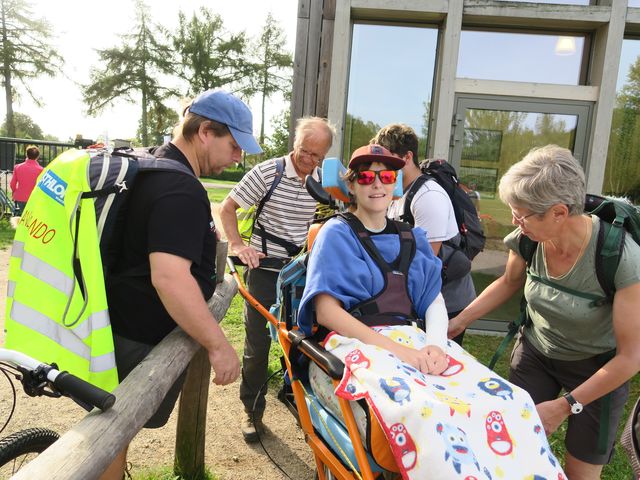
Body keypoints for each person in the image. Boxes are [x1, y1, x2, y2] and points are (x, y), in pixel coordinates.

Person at [297, 144, 566, 479]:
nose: (377, 183)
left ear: (395, 182)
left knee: (510, 401)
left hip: (415, 338)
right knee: (429, 410)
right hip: (357, 341)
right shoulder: (337, 233)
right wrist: (404, 353)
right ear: (351, 185)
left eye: (386, 175)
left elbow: (433, 301)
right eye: (366, 176)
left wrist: (436, 346)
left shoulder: (412, 237)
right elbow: (326, 312)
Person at [448, 145, 640, 479]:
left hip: (597, 368)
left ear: (559, 213)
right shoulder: (528, 239)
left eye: (520, 214)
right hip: (536, 353)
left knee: (580, 472)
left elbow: (630, 357)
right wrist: (459, 321)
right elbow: (509, 282)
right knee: (511, 451)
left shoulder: (620, 259)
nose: (514, 221)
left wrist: (565, 406)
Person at [101, 89, 258, 479]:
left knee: (112, 433)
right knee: (111, 434)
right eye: (236, 145)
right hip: (136, 336)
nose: (239, 157)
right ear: (206, 131)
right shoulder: (179, 188)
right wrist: (218, 346)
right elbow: (170, 278)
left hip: (118, 322)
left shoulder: (156, 165)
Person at [219, 116, 335, 442]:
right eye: (304, 151)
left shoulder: (324, 182)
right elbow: (228, 208)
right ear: (294, 144)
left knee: (303, 344)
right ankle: (251, 412)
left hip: (302, 276)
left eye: (317, 156)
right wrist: (239, 246)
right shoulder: (269, 173)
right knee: (258, 345)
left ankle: (296, 400)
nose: (308, 161)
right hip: (266, 273)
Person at [373, 124, 476, 345]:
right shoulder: (399, 193)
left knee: (437, 364)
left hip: (446, 301)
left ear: (408, 157)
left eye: (389, 161)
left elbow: (426, 261)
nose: (382, 169)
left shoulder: (428, 196)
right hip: (420, 296)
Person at [10, 144, 44, 216]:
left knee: (23, 216)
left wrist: (14, 192)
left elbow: (12, 184)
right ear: (37, 157)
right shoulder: (41, 170)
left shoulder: (17, 167)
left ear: (26, 154)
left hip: (20, 197)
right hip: (35, 198)